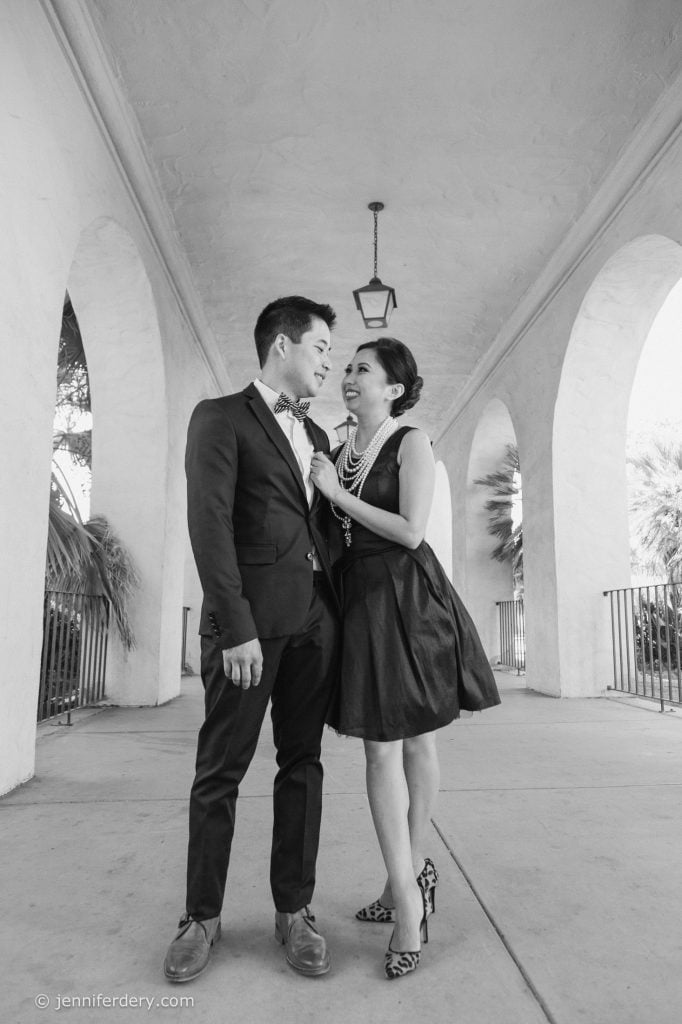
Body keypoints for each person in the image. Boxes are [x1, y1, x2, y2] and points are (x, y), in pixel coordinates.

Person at [310, 337, 500, 980]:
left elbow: (411, 530)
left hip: (408, 598)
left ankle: (407, 905)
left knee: (406, 744)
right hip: (360, 604)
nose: (349, 376)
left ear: (394, 388)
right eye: (348, 368)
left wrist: (336, 494)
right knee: (389, 747)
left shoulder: (409, 441)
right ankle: (408, 882)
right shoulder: (340, 452)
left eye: (362, 368)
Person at [164, 296, 341, 983]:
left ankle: (294, 912)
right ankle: (201, 916)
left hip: (312, 629)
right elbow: (209, 525)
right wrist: (235, 627)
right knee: (222, 771)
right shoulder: (220, 418)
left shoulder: (319, 439)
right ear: (283, 346)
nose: (329, 361)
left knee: (303, 765)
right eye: (321, 346)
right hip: (247, 634)